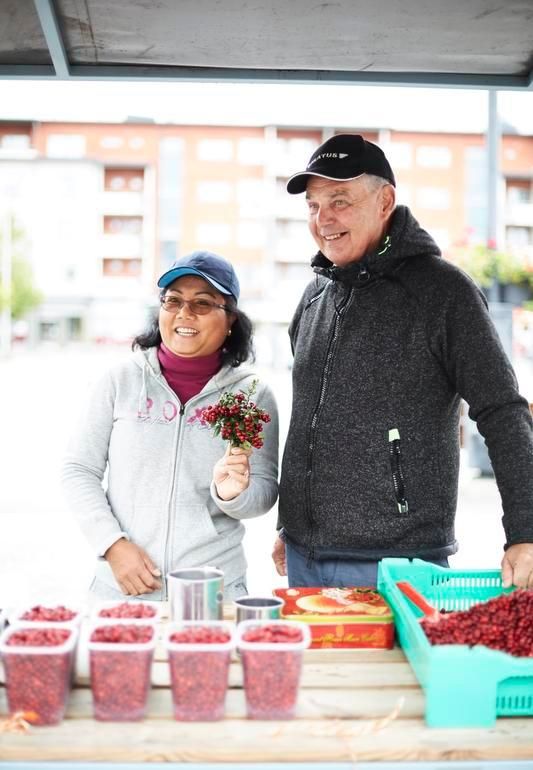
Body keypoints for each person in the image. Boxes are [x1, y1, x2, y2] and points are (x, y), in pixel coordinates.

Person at [272, 133, 533, 590]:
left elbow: (503, 412)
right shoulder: (313, 297)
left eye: (339, 200)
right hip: (303, 557)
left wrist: (526, 532)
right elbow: (311, 421)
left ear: (385, 200)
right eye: (313, 205)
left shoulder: (444, 293)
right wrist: (291, 523)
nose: (323, 218)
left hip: (397, 563)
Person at [62, 251, 278, 601]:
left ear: (231, 320)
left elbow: (264, 493)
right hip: (122, 586)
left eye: (203, 304)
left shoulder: (252, 394)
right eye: (172, 300)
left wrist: (232, 493)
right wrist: (113, 546)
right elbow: (78, 470)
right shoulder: (121, 381)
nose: (184, 313)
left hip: (214, 589)